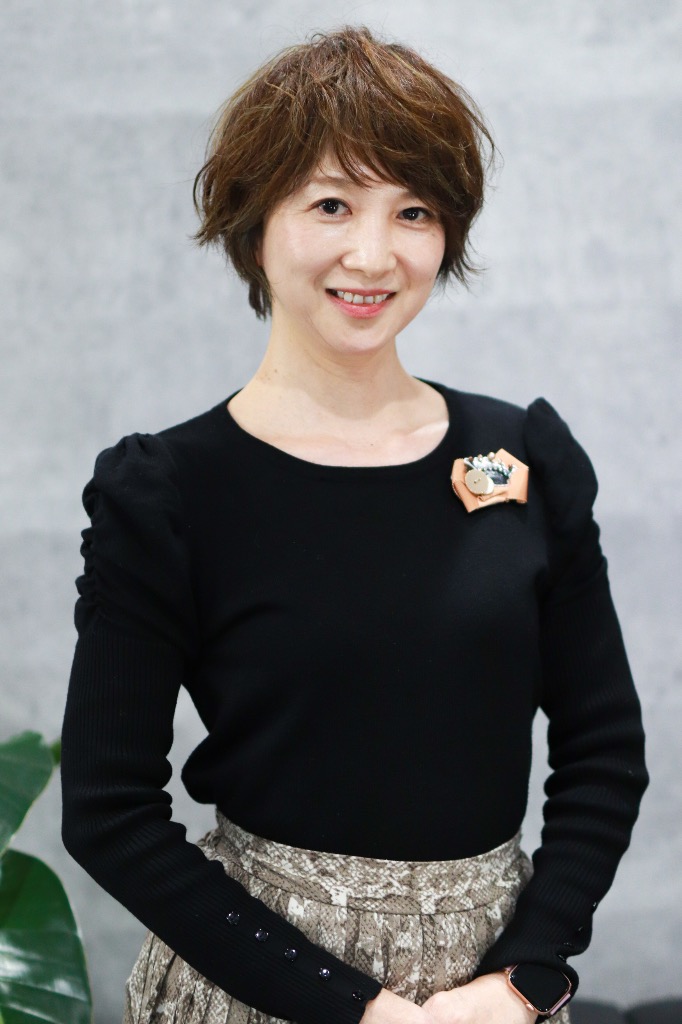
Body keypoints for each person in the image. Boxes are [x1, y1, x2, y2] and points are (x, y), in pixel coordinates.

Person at [60, 25, 648, 1024]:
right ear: (255, 222)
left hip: (490, 995)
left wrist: (527, 976)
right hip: (260, 983)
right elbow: (108, 812)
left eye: (412, 211)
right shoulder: (167, 491)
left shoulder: (526, 456)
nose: (372, 255)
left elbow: (605, 750)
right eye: (330, 204)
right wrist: (356, 1008)